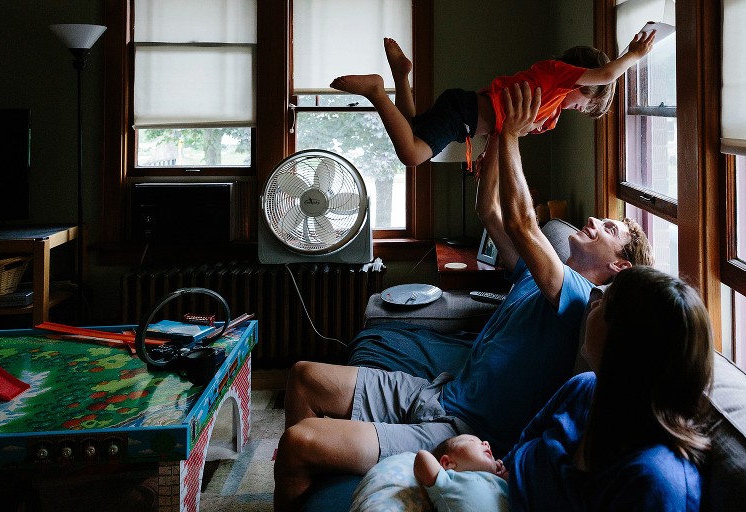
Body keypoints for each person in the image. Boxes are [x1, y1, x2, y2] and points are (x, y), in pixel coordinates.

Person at [273, 80, 653, 511]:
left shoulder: (579, 297)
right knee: (303, 376)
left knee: (298, 442)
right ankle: (315, 482)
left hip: (461, 428)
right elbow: (489, 211)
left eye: (610, 229)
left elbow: (524, 224)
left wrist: (512, 132)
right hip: (438, 393)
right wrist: (492, 138)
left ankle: (313, 463)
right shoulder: (540, 271)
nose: (594, 220)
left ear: (619, 266)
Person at [503, 265, 714, 511]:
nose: (594, 305)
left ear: (626, 342)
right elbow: (509, 460)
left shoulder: (654, 482)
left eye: (605, 305)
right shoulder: (582, 389)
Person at [330, 33, 655, 170]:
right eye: (586, 99)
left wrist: (487, 155)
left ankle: (401, 75)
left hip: (465, 117)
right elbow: (607, 74)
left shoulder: (549, 112)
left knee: (411, 128)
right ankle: (376, 90)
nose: (582, 108)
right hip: (463, 113)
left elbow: (504, 129)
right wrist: (634, 55)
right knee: (412, 155)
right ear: (581, 77)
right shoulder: (557, 75)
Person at [413, 434, 509, 512]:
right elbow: (422, 456)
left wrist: (501, 477)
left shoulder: (501, 483)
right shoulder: (448, 481)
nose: (486, 443)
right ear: (447, 463)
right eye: (472, 441)